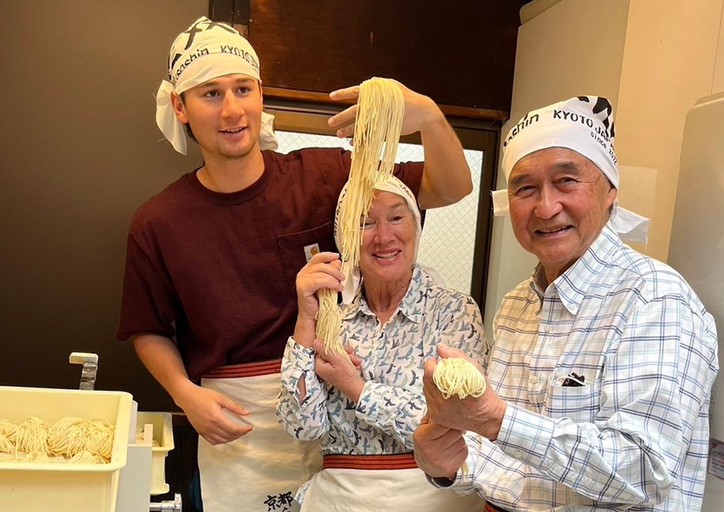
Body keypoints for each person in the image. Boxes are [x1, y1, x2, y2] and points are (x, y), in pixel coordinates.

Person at [116, 17, 474, 512]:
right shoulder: (159, 222)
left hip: (336, 409)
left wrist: (429, 117)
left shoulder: (324, 176)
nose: (233, 109)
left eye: (244, 88)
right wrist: (184, 394)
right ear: (180, 106)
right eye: (210, 94)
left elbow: (449, 187)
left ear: (261, 94)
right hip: (234, 422)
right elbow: (148, 326)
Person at [413, 96, 719, 512]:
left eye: (566, 181)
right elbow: (508, 464)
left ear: (610, 190)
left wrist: (492, 418)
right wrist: (445, 463)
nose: (545, 206)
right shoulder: (517, 305)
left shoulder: (654, 298)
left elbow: (646, 474)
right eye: (525, 188)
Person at [277, 175, 485, 511]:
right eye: (365, 222)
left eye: (397, 217)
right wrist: (305, 318)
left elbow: (460, 424)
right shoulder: (335, 320)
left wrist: (354, 387)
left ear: (416, 227)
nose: (384, 236)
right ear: (346, 238)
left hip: (430, 497)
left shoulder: (454, 312)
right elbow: (301, 426)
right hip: (338, 499)